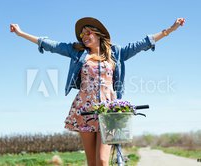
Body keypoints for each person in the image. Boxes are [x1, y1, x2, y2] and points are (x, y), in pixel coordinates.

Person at [10, 17, 185, 166]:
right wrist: (21, 33)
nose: (84, 37)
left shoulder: (117, 53)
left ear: (98, 34)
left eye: (88, 33)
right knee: (92, 163)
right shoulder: (77, 53)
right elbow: (51, 45)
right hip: (84, 110)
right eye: (82, 34)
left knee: (102, 161)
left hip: (108, 112)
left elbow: (143, 43)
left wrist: (171, 29)